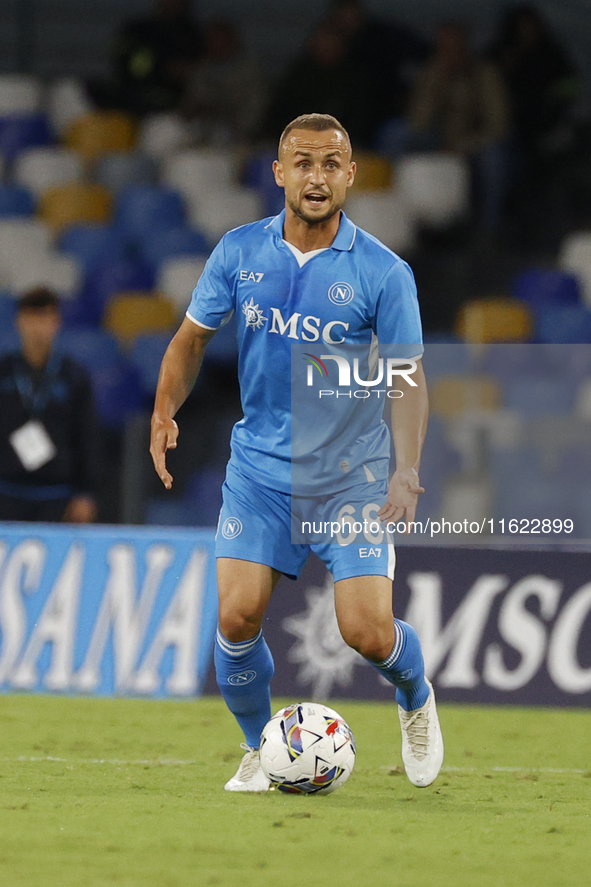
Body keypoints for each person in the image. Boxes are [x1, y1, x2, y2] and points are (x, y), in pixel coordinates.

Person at [150, 113, 443, 792]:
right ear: (278, 173)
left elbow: (407, 378)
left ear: (350, 175)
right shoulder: (237, 252)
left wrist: (406, 467)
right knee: (235, 614)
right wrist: (165, 409)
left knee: (366, 632)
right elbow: (190, 340)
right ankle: (259, 747)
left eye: (331, 163)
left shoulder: (383, 272)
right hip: (260, 470)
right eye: (303, 163)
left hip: (351, 476)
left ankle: (414, 695)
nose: (317, 176)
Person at [0, 288, 99, 523]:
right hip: (6, 491)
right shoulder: (3, 371)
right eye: (31, 318)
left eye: (44, 318)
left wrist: (85, 493)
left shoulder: (73, 376)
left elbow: (87, 436)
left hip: (58, 495)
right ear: (19, 322)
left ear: (56, 322)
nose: (37, 327)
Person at [407, 22, 510, 231]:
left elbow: (498, 124)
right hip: (438, 141)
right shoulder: (431, 72)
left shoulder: (484, 74)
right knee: (396, 134)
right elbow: (416, 123)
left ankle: (489, 229)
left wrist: (462, 147)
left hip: (474, 145)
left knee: (494, 158)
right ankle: (406, 220)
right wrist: (436, 85)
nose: (449, 53)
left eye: (454, 46)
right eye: (443, 48)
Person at [181, 19, 266, 147]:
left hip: (237, 137)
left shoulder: (249, 70)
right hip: (201, 134)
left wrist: (229, 118)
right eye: (213, 39)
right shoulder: (201, 70)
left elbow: (255, 109)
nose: (217, 44)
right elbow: (190, 105)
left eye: (222, 39)